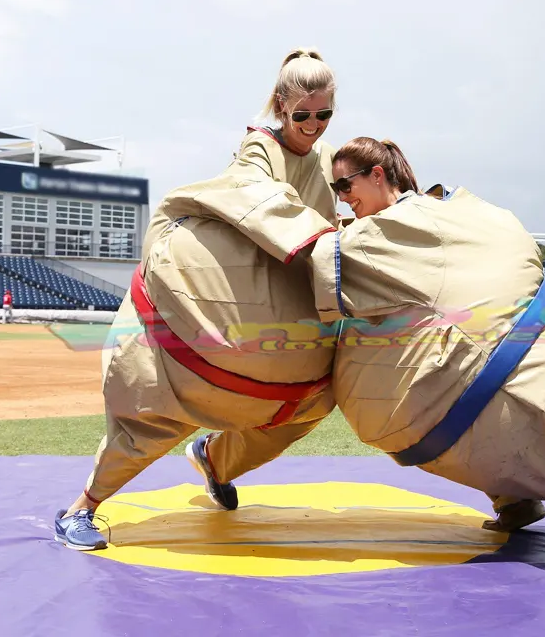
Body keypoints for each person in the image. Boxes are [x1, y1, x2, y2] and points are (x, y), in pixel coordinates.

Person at [304, 136, 545, 567]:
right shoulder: (431, 212)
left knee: (538, 428)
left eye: (345, 185)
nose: (343, 198)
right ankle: (516, 503)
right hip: (516, 345)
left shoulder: (407, 222)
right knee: (470, 412)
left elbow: (325, 255)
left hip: (527, 353)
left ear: (377, 175)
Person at [54, 47, 340, 551]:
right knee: (155, 411)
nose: (313, 124)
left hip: (269, 313)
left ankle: (214, 460)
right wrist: (320, 239)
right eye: (302, 115)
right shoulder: (259, 150)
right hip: (208, 306)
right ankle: (82, 508)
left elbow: (324, 221)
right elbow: (258, 202)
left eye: (324, 114)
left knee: (306, 406)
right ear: (279, 106)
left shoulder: (318, 158)